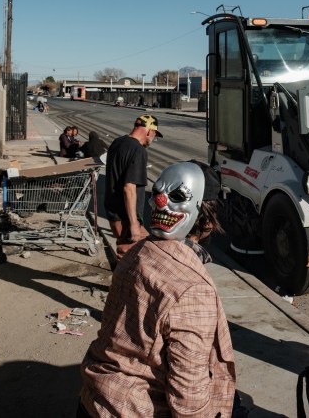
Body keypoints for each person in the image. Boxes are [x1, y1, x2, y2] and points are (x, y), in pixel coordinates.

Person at [79, 162, 236, 417]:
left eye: (172, 196)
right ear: (208, 222)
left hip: (95, 398)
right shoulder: (193, 289)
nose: (161, 201)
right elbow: (189, 397)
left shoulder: (137, 252)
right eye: (161, 193)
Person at [104, 115, 162, 260]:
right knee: (140, 257)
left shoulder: (117, 143)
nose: (153, 139)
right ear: (149, 131)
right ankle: (120, 283)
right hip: (126, 217)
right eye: (155, 134)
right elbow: (129, 188)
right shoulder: (138, 150)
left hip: (114, 212)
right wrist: (134, 223)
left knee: (132, 257)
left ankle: (124, 281)